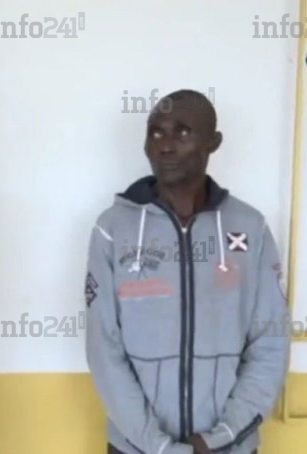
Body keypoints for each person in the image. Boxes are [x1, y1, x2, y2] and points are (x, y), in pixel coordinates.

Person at [84, 89, 290, 454]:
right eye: (156, 132)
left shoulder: (250, 228)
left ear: (213, 142)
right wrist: (158, 445)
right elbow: (104, 347)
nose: (165, 145)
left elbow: (269, 342)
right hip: (137, 447)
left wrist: (222, 435)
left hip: (228, 447)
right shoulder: (113, 229)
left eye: (182, 132)